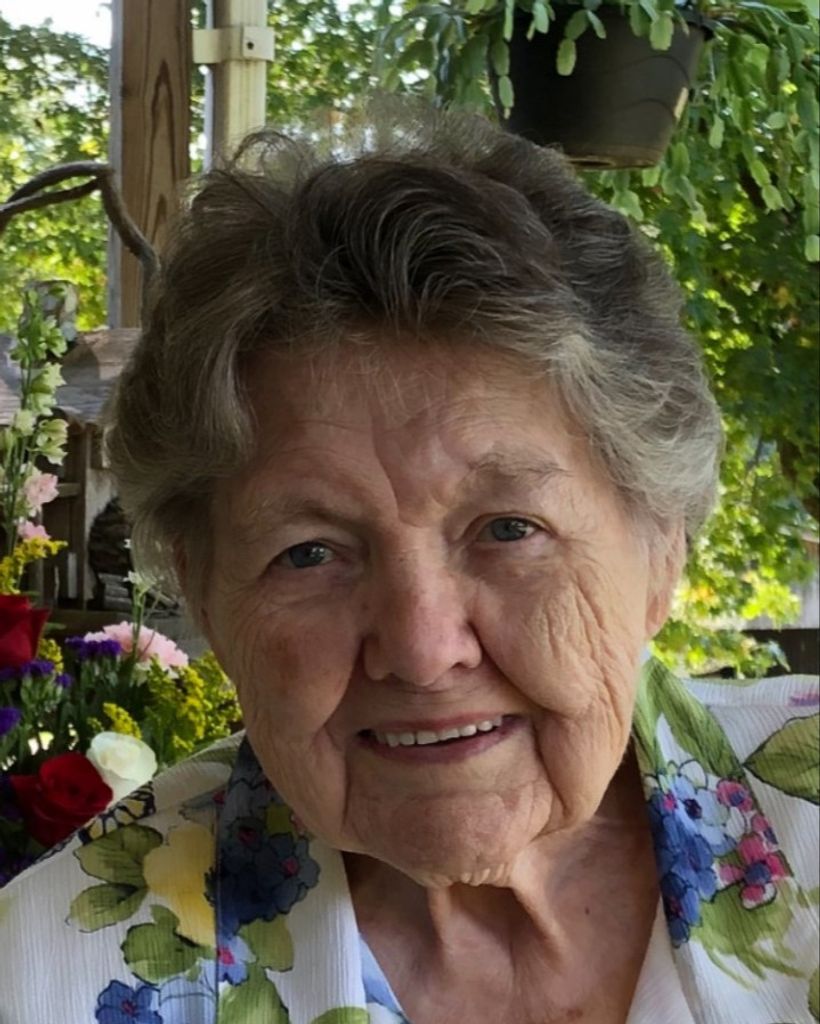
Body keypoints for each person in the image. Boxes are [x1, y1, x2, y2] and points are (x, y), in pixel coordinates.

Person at [1, 107, 817, 1024]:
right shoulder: (47, 978)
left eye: (509, 529)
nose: (424, 651)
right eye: (308, 554)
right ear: (206, 596)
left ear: (661, 551)